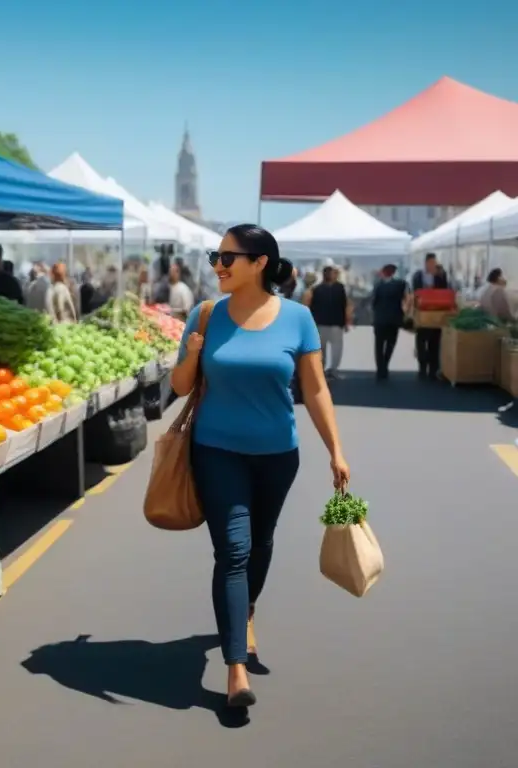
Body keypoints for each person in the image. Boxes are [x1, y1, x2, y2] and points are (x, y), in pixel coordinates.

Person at [171, 224, 348, 709]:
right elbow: (181, 386)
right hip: (216, 450)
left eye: (228, 257)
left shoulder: (298, 318)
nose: (218, 265)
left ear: (260, 263)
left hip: (277, 455)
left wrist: (335, 449)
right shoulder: (205, 315)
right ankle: (235, 669)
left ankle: (244, 612)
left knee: (261, 543)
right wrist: (191, 354)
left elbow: (314, 389)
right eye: (216, 256)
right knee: (233, 550)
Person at [305, 266, 350, 378]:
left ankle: (325, 369)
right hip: (333, 323)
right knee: (334, 348)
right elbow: (345, 305)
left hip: (323, 323)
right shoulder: (339, 288)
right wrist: (346, 321)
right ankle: (332, 369)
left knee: (324, 348)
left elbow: (310, 306)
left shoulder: (317, 289)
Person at [411, 253, 449, 379]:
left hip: (436, 313)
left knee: (435, 341)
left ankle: (434, 368)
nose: (433, 265)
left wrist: (441, 274)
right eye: (431, 263)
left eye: (435, 263)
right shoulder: (418, 275)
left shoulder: (440, 276)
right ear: (426, 263)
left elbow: (445, 291)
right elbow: (415, 292)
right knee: (421, 341)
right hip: (422, 313)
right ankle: (422, 367)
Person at [370, 264, 409, 380]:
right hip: (394, 319)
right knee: (390, 344)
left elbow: (374, 302)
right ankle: (385, 364)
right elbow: (406, 298)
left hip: (380, 319)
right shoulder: (401, 284)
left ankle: (380, 368)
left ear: (384, 272)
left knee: (379, 345)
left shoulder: (378, 286)